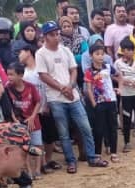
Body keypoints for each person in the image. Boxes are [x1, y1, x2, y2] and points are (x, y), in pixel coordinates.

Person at [36, 21, 108, 173]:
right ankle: (70, 161)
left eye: (57, 34)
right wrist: (62, 88)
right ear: (45, 37)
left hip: (73, 95)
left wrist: (70, 86)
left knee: (86, 127)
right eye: (52, 35)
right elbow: (43, 75)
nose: (56, 37)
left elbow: (74, 70)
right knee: (63, 133)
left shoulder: (65, 50)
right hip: (55, 97)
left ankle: (92, 156)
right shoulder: (40, 54)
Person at [116, 38, 135, 152]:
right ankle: (127, 142)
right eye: (128, 50)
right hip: (125, 94)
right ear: (123, 51)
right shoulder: (117, 63)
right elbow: (115, 76)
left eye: (132, 50)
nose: (131, 52)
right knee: (127, 119)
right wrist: (124, 81)